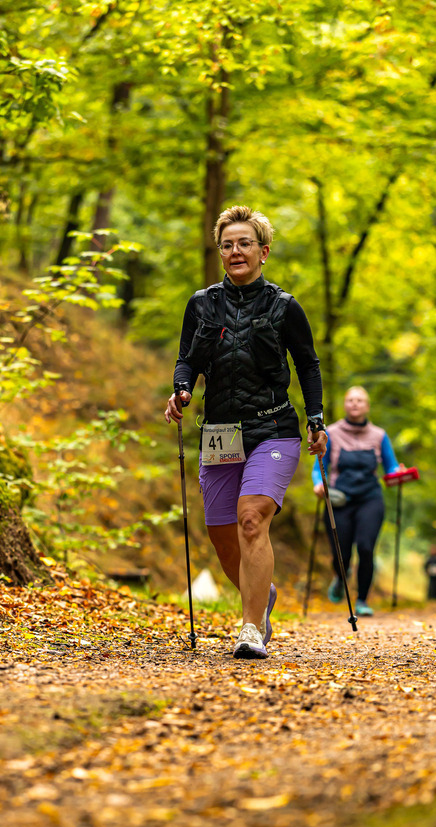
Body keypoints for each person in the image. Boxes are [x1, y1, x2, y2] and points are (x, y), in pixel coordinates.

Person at [164, 205, 326, 659]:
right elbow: (187, 360)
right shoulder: (202, 304)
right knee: (221, 533)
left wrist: (315, 419)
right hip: (219, 431)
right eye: (228, 245)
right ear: (221, 253)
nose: (236, 251)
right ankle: (263, 594)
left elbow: (308, 366)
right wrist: (181, 390)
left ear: (263, 251)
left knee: (250, 518)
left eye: (245, 244)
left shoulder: (283, 306)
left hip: (273, 427)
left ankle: (251, 628)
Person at [312, 385, 402, 617]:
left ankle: (362, 599)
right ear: (344, 404)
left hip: (370, 498)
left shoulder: (379, 435)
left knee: (365, 547)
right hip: (340, 499)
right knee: (341, 554)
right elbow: (318, 467)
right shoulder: (330, 433)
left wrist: (397, 473)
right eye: (350, 399)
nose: (354, 403)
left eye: (359, 400)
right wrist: (318, 484)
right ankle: (340, 578)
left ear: (367, 406)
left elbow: (390, 466)